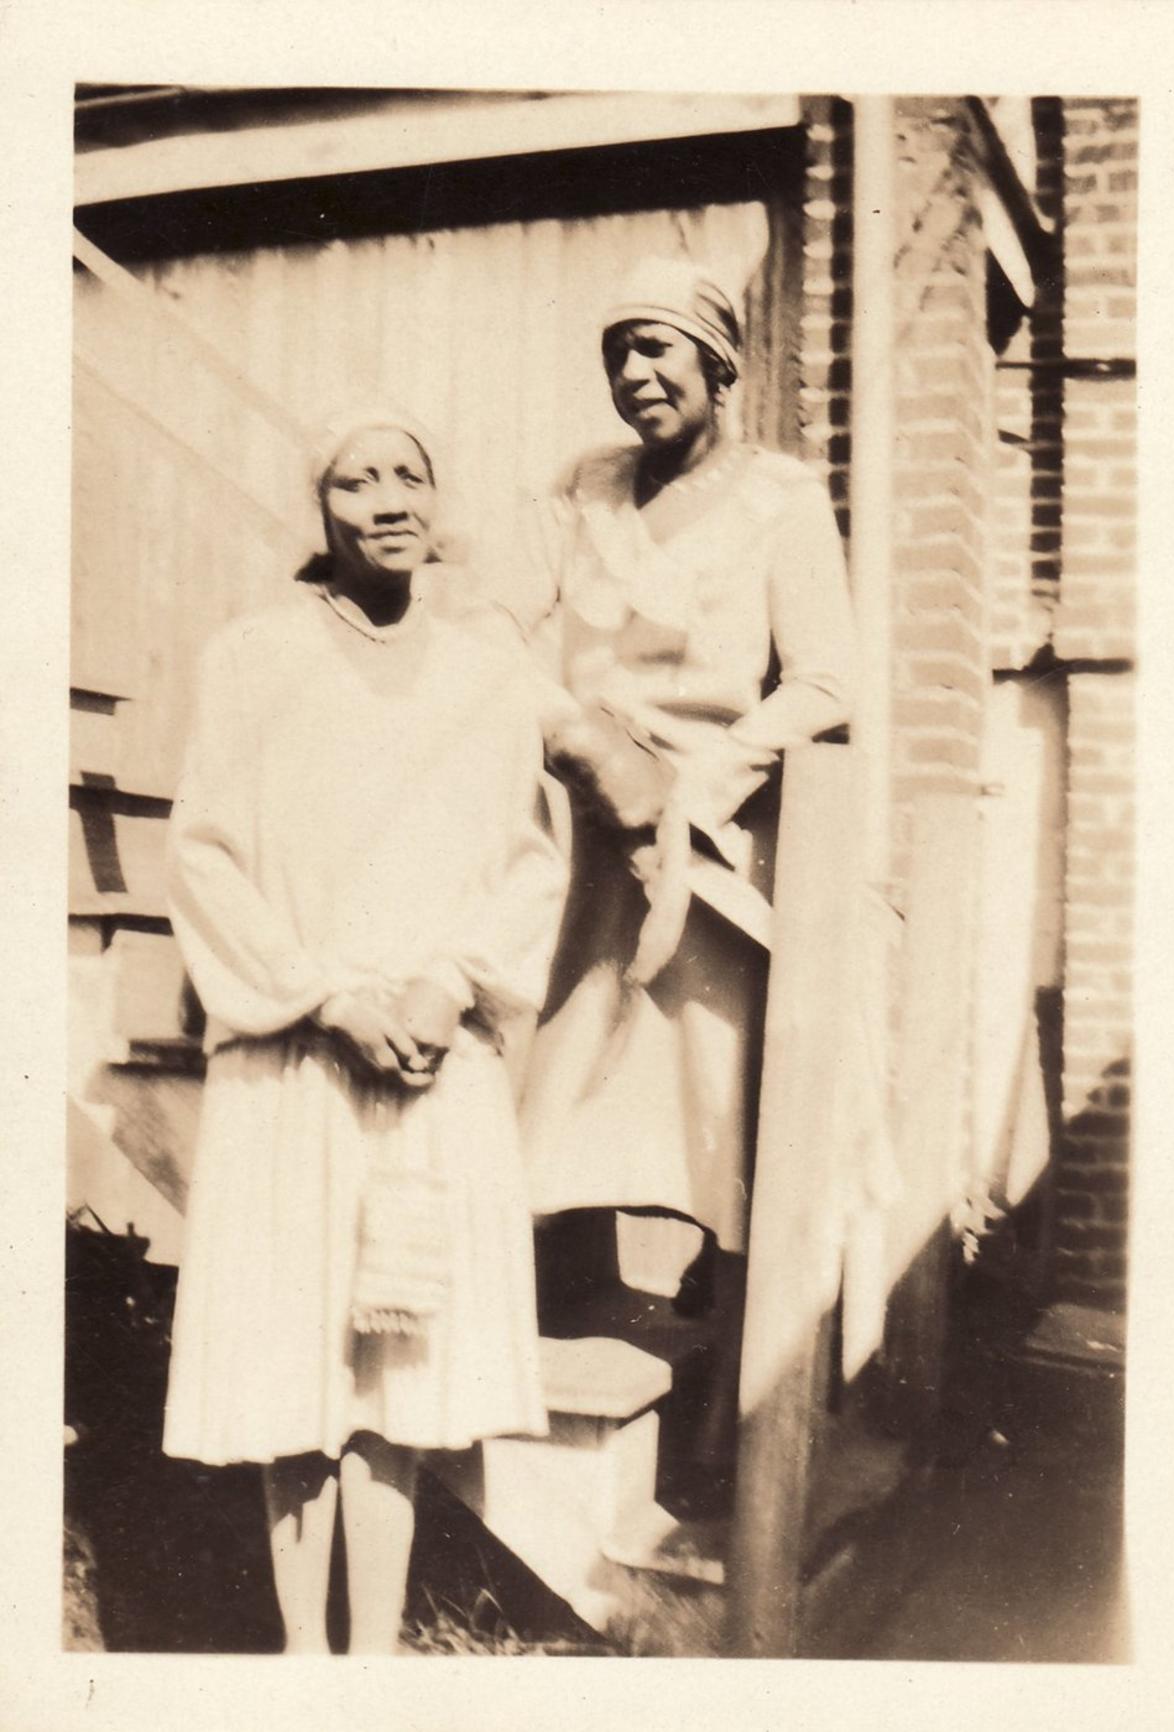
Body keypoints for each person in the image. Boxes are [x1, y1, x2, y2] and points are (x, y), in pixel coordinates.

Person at [161, 407, 566, 1654]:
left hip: (434, 1060)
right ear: (320, 509)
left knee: (399, 1369)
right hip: (298, 1054)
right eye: (355, 479)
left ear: (438, 505)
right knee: (294, 1355)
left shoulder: (491, 672)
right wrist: (321, 995)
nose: (386, 498)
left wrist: (451, 983)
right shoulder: (253, 657)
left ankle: (377, 1653)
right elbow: (208, 854)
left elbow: (528, 859)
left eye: (410, 475)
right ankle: (301, 1655)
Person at [490, 257, 857, 1477]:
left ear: (719, 362)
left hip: (708, 835)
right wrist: (576, 737)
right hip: (582, 811)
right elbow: (499, 622)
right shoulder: (583, 489)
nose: (637, 376)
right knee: (556, 1072)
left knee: (714, 1099)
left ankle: (730, 1402)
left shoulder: (780, 499)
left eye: (660, 351)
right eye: (618, 355)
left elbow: (826, 680)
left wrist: (698, 779)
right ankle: (527, 1342)